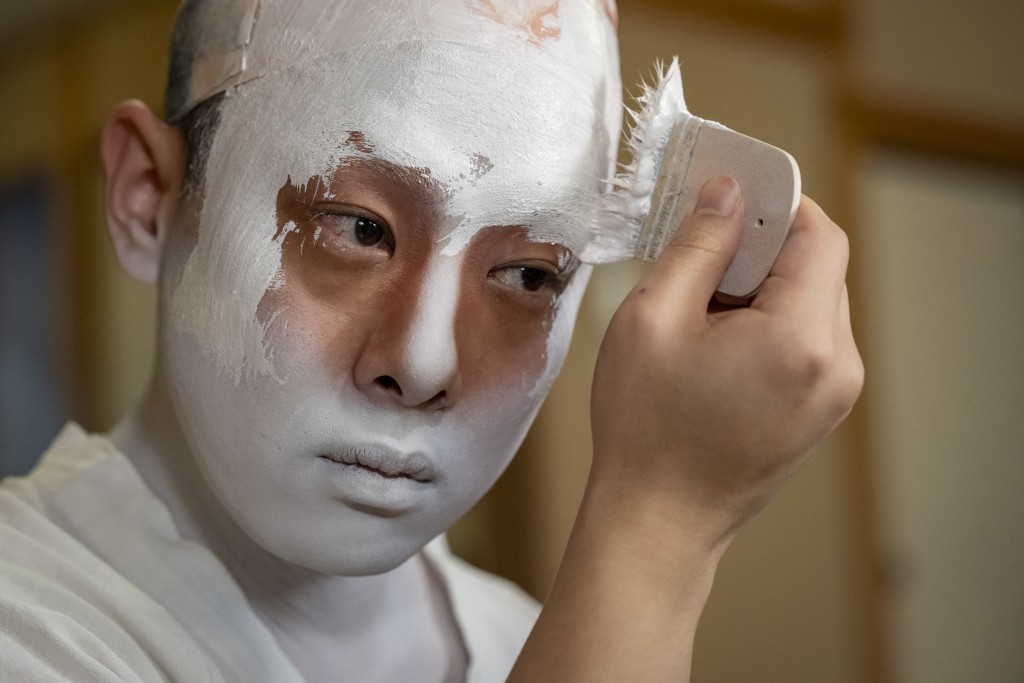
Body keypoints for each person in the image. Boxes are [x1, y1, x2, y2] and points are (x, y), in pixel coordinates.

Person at [0, 0, 863, 681]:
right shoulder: (30, 626)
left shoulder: (540, 639)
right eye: (358, 229)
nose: (422, 364)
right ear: (148, 197)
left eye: (529, 274)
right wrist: (662, 523)